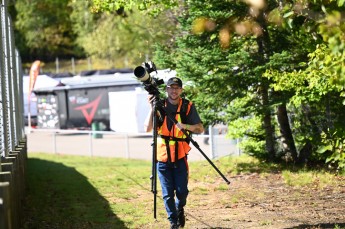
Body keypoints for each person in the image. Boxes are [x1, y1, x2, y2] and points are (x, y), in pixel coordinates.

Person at [144, 77, 204, 229]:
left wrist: (184, 126)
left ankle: (180, 208)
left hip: (180, 156)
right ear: (167, 90)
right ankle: (173, 222)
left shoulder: (187, 106)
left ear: (181, 90)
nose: (174, 90)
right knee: (167, 193)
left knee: (182, 192)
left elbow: (200, 128)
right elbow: (147, 128)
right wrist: (151, 107)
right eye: (171, 87)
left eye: (177, 88)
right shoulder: (160, 105)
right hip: (163, 157)